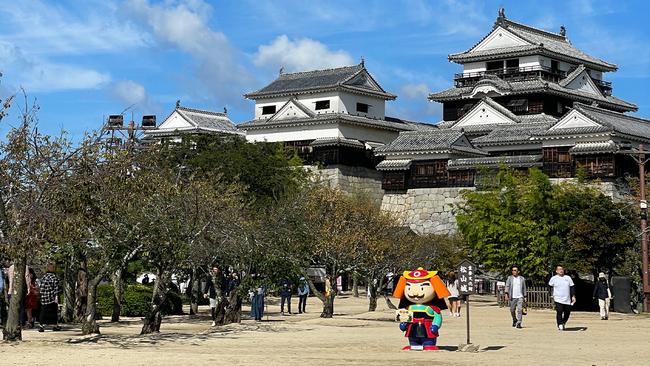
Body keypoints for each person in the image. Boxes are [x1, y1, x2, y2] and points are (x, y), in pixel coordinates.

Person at [549, 265, 575, 331]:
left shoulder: (568, 278)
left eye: (562, 269)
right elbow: (549, 286)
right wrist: (550, 294)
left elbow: (572, 287)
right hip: (558, 298)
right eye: (559, 269)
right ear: (556, 271)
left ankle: (563, 322)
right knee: (559, 311)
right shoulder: (554, 278)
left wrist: (573, 296)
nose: (561, 270)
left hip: (567, 298)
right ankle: (560, 324)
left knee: (567, 312)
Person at [38, 263, 61, 332]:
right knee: (53, 312)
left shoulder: (44, 277)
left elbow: (41, 288)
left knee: (43, 311)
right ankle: (55, 325)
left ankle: (41, 325)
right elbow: (56, 289)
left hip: (44, 297)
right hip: (51, 297)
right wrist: (56, 297)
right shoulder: (54, 278)